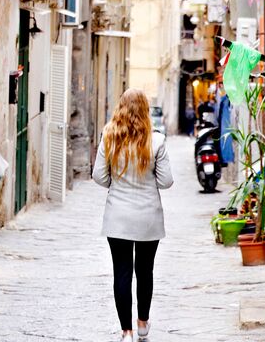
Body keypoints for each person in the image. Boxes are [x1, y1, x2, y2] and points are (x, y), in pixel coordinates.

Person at [93, 89, 175, 342]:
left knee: (122, 272)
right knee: (145, 271)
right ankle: (142, 324)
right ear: (146, 111)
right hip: (148, 217)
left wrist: (116, 184)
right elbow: (166, 181)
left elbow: (99, 176)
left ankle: (125, 331)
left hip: (118, 216)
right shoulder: (157, 141)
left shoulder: (109, 137)